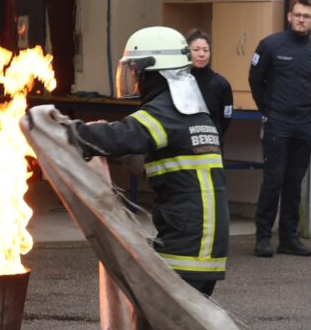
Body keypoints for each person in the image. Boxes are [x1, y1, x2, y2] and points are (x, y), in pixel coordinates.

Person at [69, 26, 228, 297]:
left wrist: (65, 132)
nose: (134, 78)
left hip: (187, 244)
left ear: (152, 72)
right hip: (200, 242)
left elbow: (122, 136)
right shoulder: (191, 111)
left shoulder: (167, 110)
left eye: (136, 72)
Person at [248, 0, 311, 258]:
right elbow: (255, 79)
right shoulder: (270, 45)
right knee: (273, 181)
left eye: (307, 16)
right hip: (277, 123)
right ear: (289, 16)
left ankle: (289, 239)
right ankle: (263, 238)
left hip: (303, 125)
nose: (301, 19)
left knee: (294, 183)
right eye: (297, 15)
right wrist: (269, 111)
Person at [186, 29, 233, 143]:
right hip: (185, 143)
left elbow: (226, 118)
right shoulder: (180, 82)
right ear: (187, 52)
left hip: (212, 144)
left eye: (206, 50)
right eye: (196, 50)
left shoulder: (222, 84)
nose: (201, 54)